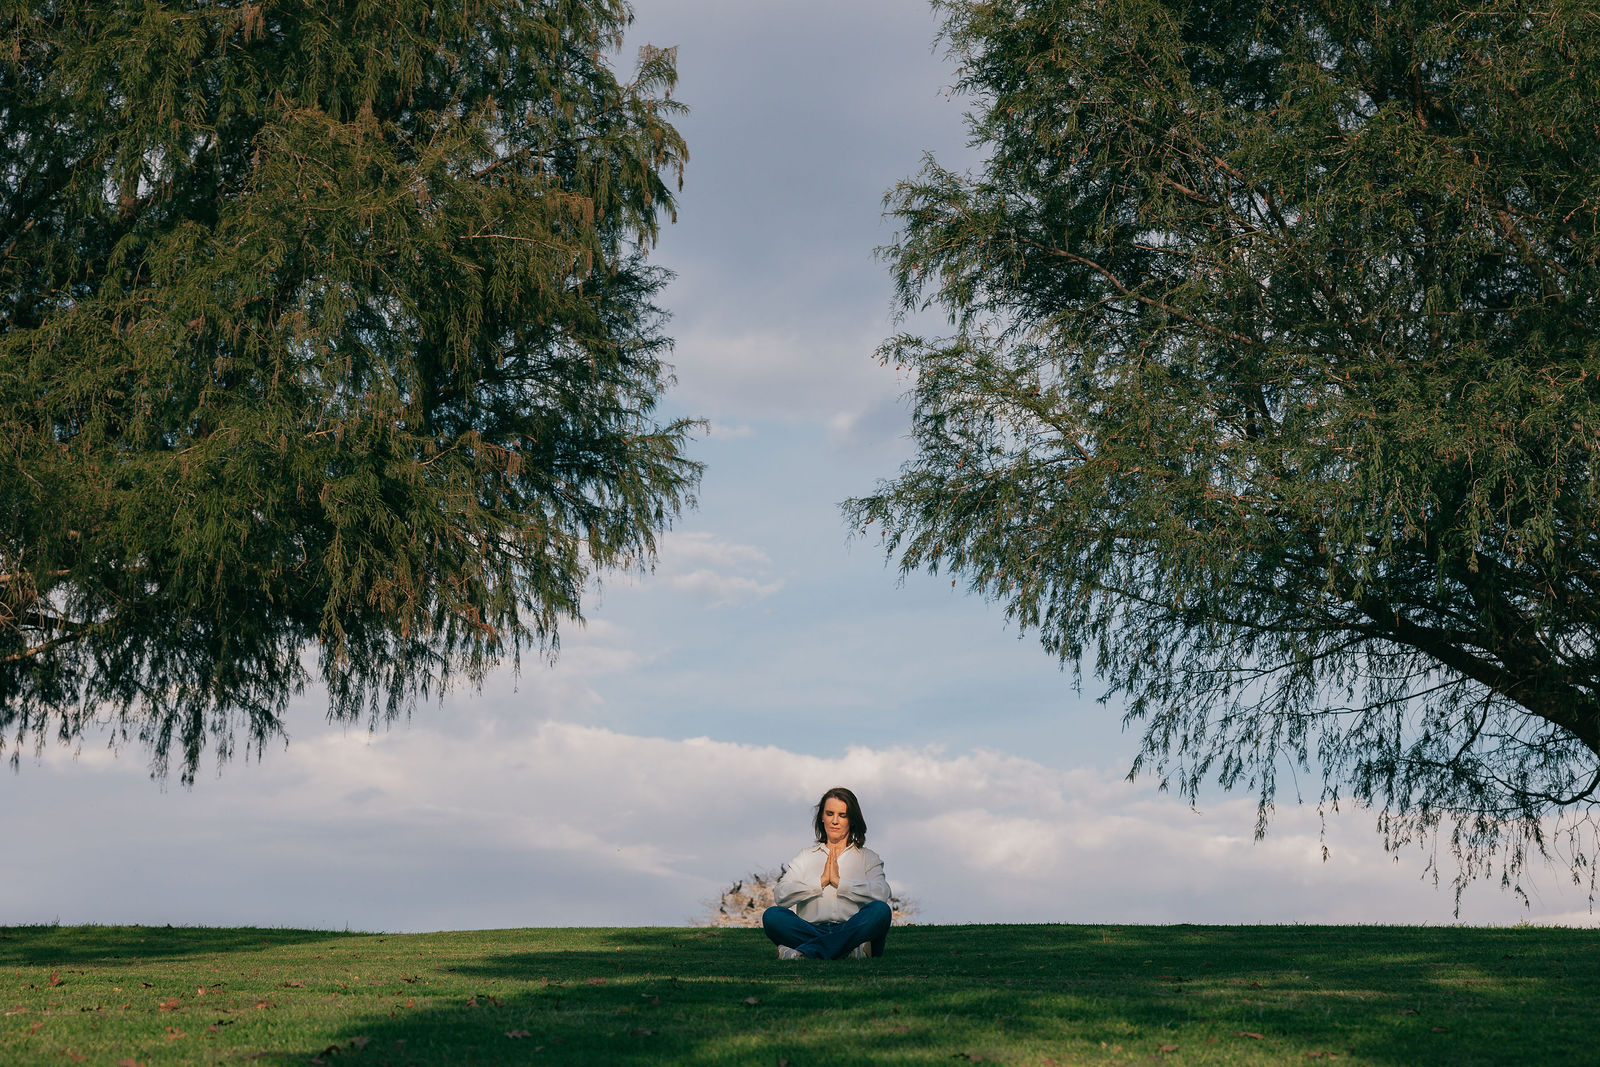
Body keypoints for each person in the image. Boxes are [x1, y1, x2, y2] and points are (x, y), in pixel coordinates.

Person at [762, 787, 893, 959]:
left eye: (842, 815)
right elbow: (781, 895)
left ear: (852, 820)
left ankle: (803, 952)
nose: (835, 821)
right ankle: (849, 952)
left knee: (880, 911)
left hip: (853, 928)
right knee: (772, 916)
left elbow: (882, 894)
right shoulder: (806, 856)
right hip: (811, 929)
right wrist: (821, 882)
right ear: (822, 818)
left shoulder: (868, 857)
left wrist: (841, 883)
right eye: (830, 814)